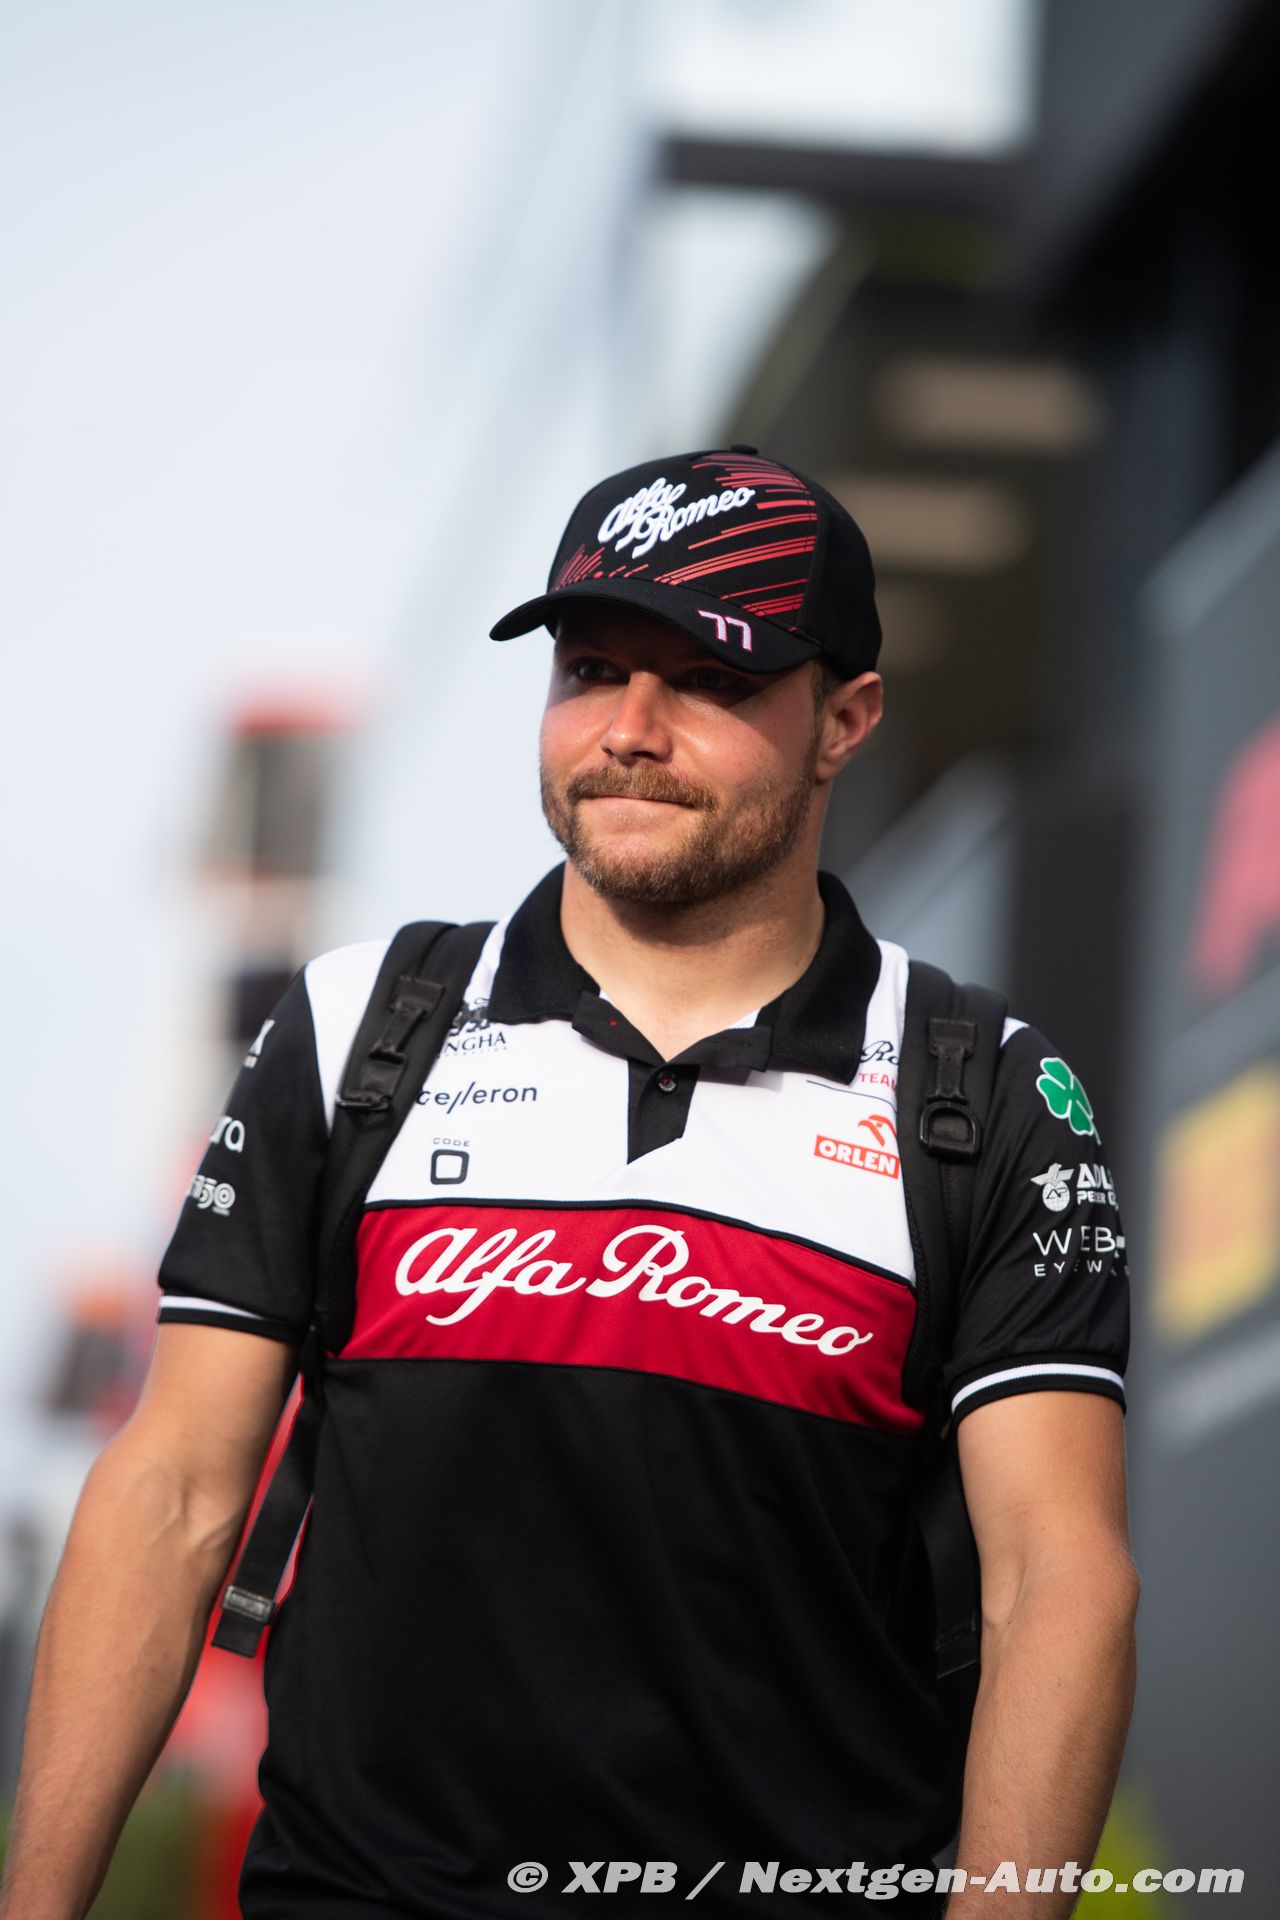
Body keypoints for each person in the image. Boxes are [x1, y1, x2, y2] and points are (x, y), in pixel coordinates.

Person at [0, 447, 1137, 1919]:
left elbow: (1056, 1581)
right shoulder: (357, 1027)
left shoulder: (987, 1090)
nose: (631, 731)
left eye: (712, 681)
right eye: (592, 670)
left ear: (846, 719)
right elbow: (171, 1494)